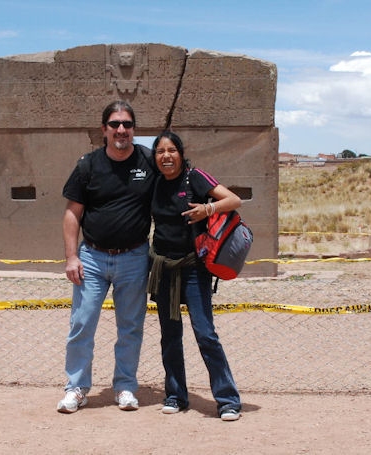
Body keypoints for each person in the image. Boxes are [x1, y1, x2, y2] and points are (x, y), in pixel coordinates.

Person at [58, 100, 155, 413]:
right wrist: (72, 257)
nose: (121, 130)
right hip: (93, 259)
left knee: (130, 327)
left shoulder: (149, 162)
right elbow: (72, 214)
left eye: (127, 124)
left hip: (135, 258)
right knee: (82, 324)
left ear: (134, 129)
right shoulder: (88, 165)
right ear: (104, 130)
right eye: (114, 124)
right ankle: (76, 388)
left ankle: (125, 387)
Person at [147, 130, 242, 421]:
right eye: (160, 151)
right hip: (163, 270)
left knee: (205, 335)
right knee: (170, 336)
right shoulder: (154, 184)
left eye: (171, 150)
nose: (166, 156)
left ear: (181, 152)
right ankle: (176, 395)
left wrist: (208, 208)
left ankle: (227, 400)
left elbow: (234, 200)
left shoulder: (195, 177)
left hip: (193, 270)